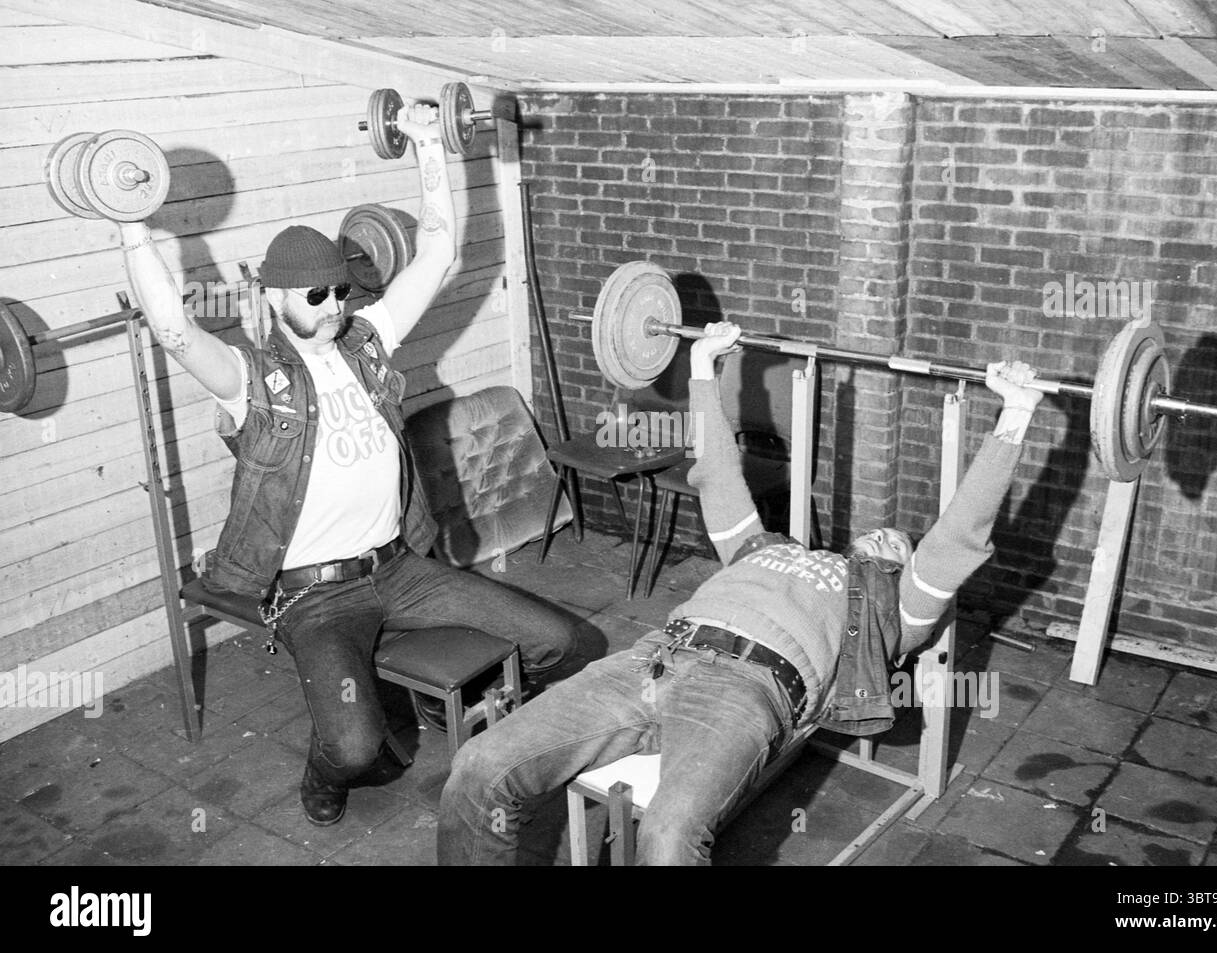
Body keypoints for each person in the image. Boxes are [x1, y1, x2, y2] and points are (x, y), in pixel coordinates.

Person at [437, 321, 1044, 865]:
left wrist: (1013, 418)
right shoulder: (766, 547)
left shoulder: (889, 603)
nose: (892, 533)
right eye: (886, 533)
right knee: (479, 767)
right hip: (650, 659)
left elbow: (956, 537)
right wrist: (704, 367)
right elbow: (719, 472)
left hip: (748, 690)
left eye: (900, 544)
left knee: (670, 837)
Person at [118, 104, 574, 826]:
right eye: (314, 296)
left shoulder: (367, 343)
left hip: (399, 570)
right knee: (359, 751)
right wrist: (131, 221)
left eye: (340, 291)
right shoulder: (250, 381)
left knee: (558, 640)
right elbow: (174, 330)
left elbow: (436, 254)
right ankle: (323, 769)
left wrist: (429, 144)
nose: (332, 306)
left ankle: (502, 744)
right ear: (274, 298)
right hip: (315, 597)